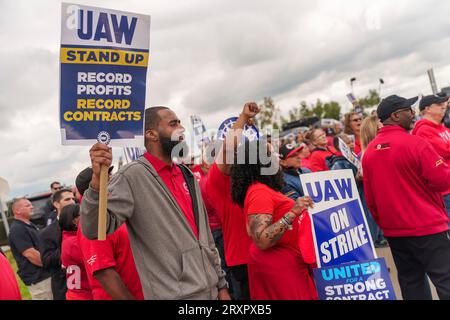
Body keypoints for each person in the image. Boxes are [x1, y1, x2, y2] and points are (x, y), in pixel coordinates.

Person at [80, 107, 229, 300]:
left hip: (212, 293)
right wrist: (96, 183)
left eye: (180, 123)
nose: (182, 128)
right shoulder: (132, 176)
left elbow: (206, 238)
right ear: (151, 135)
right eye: (173, 124)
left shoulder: (186, 174)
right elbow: (94, 229)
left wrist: (221, 285)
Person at [362, 94, 450, 300]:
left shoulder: (370, 153)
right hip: (428, 226)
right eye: (408, 110)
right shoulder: (415, 144)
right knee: (445, 279)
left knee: (411, 282)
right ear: (395, 115)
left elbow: (371, 200)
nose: (413, 114)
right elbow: (443, 181)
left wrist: (386, 226)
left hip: (396, 232)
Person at [230, 139, 317, 300]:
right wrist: (293, 212)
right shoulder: (259, 192)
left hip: (286, 261)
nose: (276, 156)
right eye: (271, 153)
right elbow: (261, 239)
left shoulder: (263, 189)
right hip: (278, 266)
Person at [206, 103, 260, 300]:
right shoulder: (219, 181)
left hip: (267, 253)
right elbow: (229, 148)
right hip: (243, 259)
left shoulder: (252, 177)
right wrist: (243, 118)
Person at [76, 166, 144, 300]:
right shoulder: (93, 222)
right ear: (94, 185)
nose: (112, 179)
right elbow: (104, 273)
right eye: (107, 177)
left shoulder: (111, 211)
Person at [412, 95, 450, 224]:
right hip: (444, 189)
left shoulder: (442, 128)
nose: (443, 106)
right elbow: (443, 150)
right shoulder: (423, 130)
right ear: (427, 109)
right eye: (438, 104)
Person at [8, 198, 52, 300]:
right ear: (17, 211)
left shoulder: (29, 225)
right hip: (39, 280)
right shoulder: (17, 229)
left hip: (45, 276)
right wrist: (50, 264)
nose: (32, 207)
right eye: (27, 205)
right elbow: (30, 254)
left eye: (31, 205)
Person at [39, 189, 75, 300]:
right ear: (56, 204)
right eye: (67, 199)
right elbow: (47, 261)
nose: (72, 202)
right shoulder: (47, 233)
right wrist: (67, 247)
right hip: (64, 287)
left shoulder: (84, 223)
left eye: (73, 198)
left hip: (88, 283)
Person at [360, 116, 387, 247]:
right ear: (371, 131)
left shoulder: (384, 147)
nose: (384, 129)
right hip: (379, 204)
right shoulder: (365, 155)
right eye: (379, 128)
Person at [59, 204, 92, 300]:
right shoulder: (73, 242)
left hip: (79, 294)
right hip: (82, 295)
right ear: (74, 221)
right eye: (83, 214)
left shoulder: (69, 238)